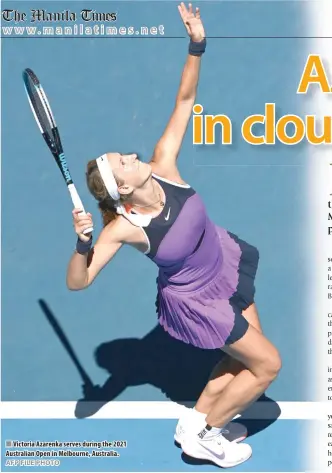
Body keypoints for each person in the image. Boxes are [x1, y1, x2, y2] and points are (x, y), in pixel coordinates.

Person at [66, 2, 281, 468]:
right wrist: (83, 244)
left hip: (222, 262)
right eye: (122, 161)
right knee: (267, 365)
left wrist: (196, 44)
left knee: (247, 360)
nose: (130, 154)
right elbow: (79, 282)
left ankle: (200, 419)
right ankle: (204, 434)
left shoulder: (164, 164)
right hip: (197, 298)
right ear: (123, 187)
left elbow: (184, 100)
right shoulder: (125, 227)